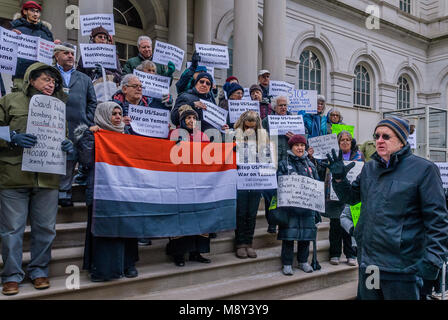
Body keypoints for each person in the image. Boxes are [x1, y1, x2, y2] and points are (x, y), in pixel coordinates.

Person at [326, 116, 448, 300]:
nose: (379, 141)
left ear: (401, 140)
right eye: (376, 136)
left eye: (385, 136)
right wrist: (339, 179)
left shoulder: (424, 170)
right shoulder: (370, 168)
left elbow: (438, 221)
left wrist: (432, 261)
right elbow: (351, 198)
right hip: (371, 265)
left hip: (402, 269)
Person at [0, 62, 74, 295]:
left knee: (45, 228)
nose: (51, 84)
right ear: (31, 79)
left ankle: (39, 271)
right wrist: (11, 137)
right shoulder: (10, 100)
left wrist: (67, 145)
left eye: (54, 82)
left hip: (47, 178)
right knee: (12, 229)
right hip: (14, 176)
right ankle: (11, 275)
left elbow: (62, 136)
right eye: (46, 80)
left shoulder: (59, 107)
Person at [74, 101, 139, 282]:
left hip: (125, 190)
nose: (118, 117)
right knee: (103, 230)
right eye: (113, 114)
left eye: (119, 114)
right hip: (100, 191)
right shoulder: (93, 135)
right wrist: (88, 136)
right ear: (103, 115)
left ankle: (128, 264)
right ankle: (104, 270)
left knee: (126, 228)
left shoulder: (127, 134)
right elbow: (86, 160)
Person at [166, 106, 211, 267]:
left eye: (194, 118)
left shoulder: (204, 136)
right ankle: (178, 254)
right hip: (180, 181)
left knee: (199, 218)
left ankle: (196, 252)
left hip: (200, 182)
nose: (191, 121)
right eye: (188, 118)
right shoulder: (175, 134)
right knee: (181, 218)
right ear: (182, 121)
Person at [54, 42, 97, 207]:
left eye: (72, 53)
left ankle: (65, 192)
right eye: (66, 53)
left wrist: (86, 119)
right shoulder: (50, 74)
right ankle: (59, 192)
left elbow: (92, 102)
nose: (70, 56)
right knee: (63, 158)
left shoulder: (84, 78)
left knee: (73, 158)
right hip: (55, 122)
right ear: (57, 55)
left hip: (79, 125)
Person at [276, 134, 320, 275]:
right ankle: (287, 263)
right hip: (290, 208)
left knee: (306, 236)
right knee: (289, 237)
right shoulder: (284, 163)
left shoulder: (311, 164)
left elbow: (317, 183)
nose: (300, 148)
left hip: (307, 208)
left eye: (302, 145)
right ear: (291, 147)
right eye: (297, 145)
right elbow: (279, 181)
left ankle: (303, 261)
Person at [234, 111, 270, 259]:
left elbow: (268, 158)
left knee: (252, 214)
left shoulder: (263, 137)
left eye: (252, 127)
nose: (250, 129)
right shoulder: (233, 135)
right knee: (241, 213)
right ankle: (240, 243)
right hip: (240, 180)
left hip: (256, 180)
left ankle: (249, 242)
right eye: (247, 126)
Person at [324, 131, 361, 267]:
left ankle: (351, 254)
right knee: (335, 226)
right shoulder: (332, 157)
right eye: (342, 140)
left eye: (348, 139)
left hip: (351, 195)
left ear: (351, 142)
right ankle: (334, 253)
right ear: (338, 143)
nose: (345, 142)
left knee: (348, 226)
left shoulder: (359, 156)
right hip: (335, 195)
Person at [262, 95, 295, 234]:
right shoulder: (266, 121)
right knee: (271, 194)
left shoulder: (294, 120)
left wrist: (294, 138)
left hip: (288, 162)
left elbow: (302, 140)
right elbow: (260, 138)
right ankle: (272, 221)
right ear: (274, 107)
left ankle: (284, 222)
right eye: (280, 105)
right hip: (271, 162)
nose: (283, 108)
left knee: (286, 193)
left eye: (285, 105)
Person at [9, 1, 58, 91]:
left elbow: (51, 53)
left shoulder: (46, 32)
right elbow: (7, 49)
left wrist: (55, 46)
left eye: (37, 12)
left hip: (41, 75)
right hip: (21, 74)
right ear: (25, 11)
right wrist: (10, 36)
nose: (35, 14)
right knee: (19, 102)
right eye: (32, 11)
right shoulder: (16, 29)